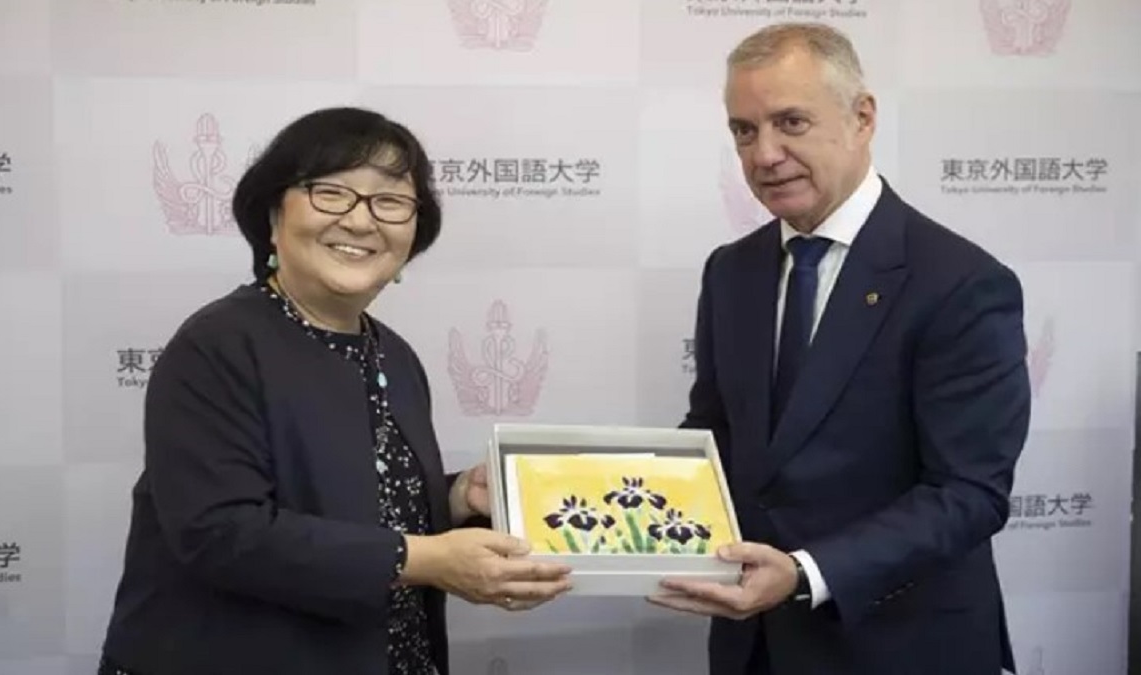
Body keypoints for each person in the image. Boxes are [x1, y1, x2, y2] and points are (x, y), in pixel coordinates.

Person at [98, 107, 573, 675]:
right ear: (274, 214)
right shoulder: (219, 343)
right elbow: (219, 532)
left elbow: (352, 501)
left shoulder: (392, 354)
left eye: (390, 201)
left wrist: (453, 501)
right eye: (332, 193)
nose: (361, 220)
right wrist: (423, 557)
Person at [647, 22, 1030, 675]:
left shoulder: (961, 282)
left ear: (863, 117)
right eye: (743, 129)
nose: (763, 154)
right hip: (754, 647)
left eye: (790, 122)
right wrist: (580, 505)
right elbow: (714, 435)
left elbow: (969, 491)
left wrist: (805, 572)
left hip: (900, 647)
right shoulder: (731, 271)